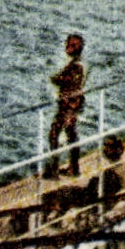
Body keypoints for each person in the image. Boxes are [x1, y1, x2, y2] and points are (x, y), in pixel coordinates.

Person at [47, 33, 86, 178]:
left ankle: (56, 168)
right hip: (68, 104)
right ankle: (72, 167)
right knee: (69, 135)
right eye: (68, 44)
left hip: (68, 106)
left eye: (72, 45)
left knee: (55, 134)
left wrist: (71, 110)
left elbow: (62, 80)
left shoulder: (76, 67)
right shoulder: (74, 65)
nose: (68, 48)